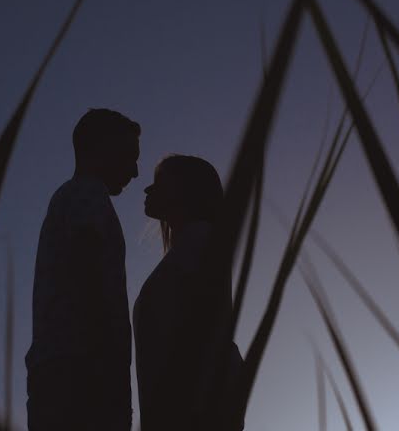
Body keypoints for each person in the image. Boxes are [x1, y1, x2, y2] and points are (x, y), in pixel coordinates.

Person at [25, 108, 141, 431]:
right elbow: (90, 272)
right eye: (130, 156)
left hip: (66, 369)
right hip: (81, 371)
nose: (134, 171)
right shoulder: (87, 194)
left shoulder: (74, 197)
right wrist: (108, 371)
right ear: (102, 147)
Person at [134, 155, 245, 431]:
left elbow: (206, 335)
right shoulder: (192, 245)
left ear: (185, 188)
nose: (147, 189)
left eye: (159, 182)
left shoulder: (201, 240)